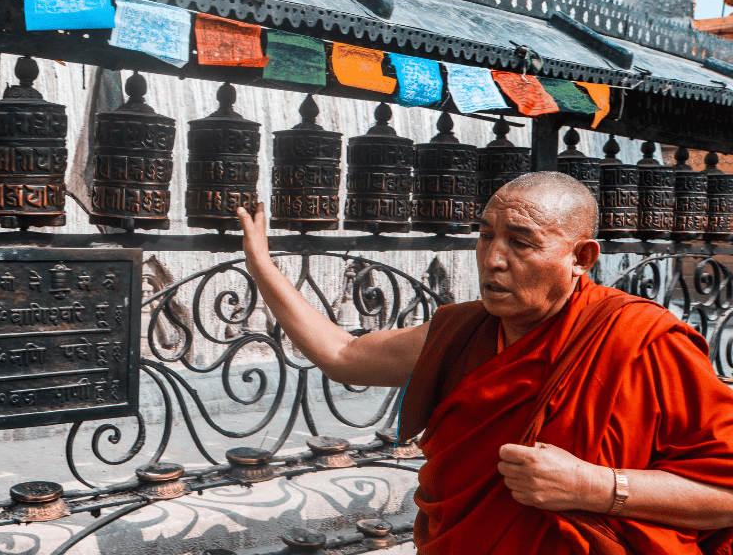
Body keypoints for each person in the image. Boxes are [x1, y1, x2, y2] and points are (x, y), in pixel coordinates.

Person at [236, 171, 733, 554]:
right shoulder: (459, 331)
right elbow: (343, 355)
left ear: (581, 257)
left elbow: (725, 495)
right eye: (485, 234)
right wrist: (261, 264)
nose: (493, 258)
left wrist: (596, 486)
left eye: (521, 242)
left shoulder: (640, 342)